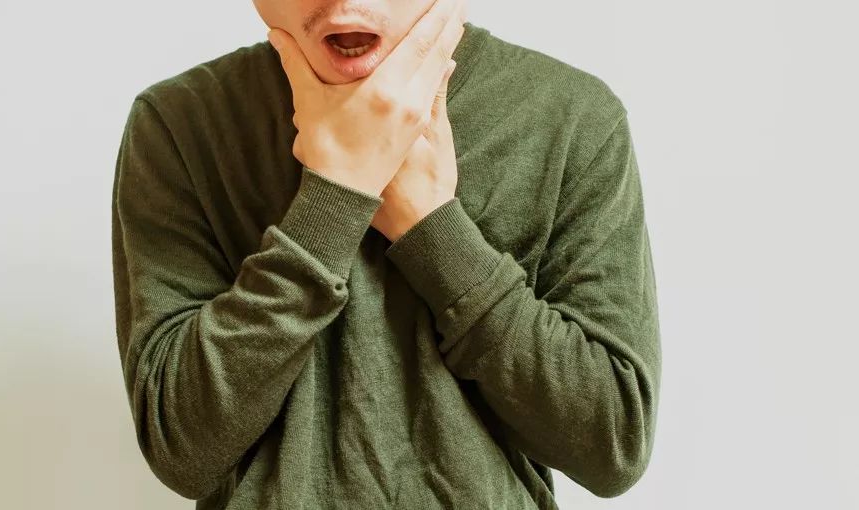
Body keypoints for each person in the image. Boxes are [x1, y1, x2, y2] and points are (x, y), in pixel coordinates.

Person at [110, 0, 662, 507]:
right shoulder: (179, 122)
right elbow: (181, 449)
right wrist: (336, 193)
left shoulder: (572, 116)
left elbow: (613, 446)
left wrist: (432, 226)